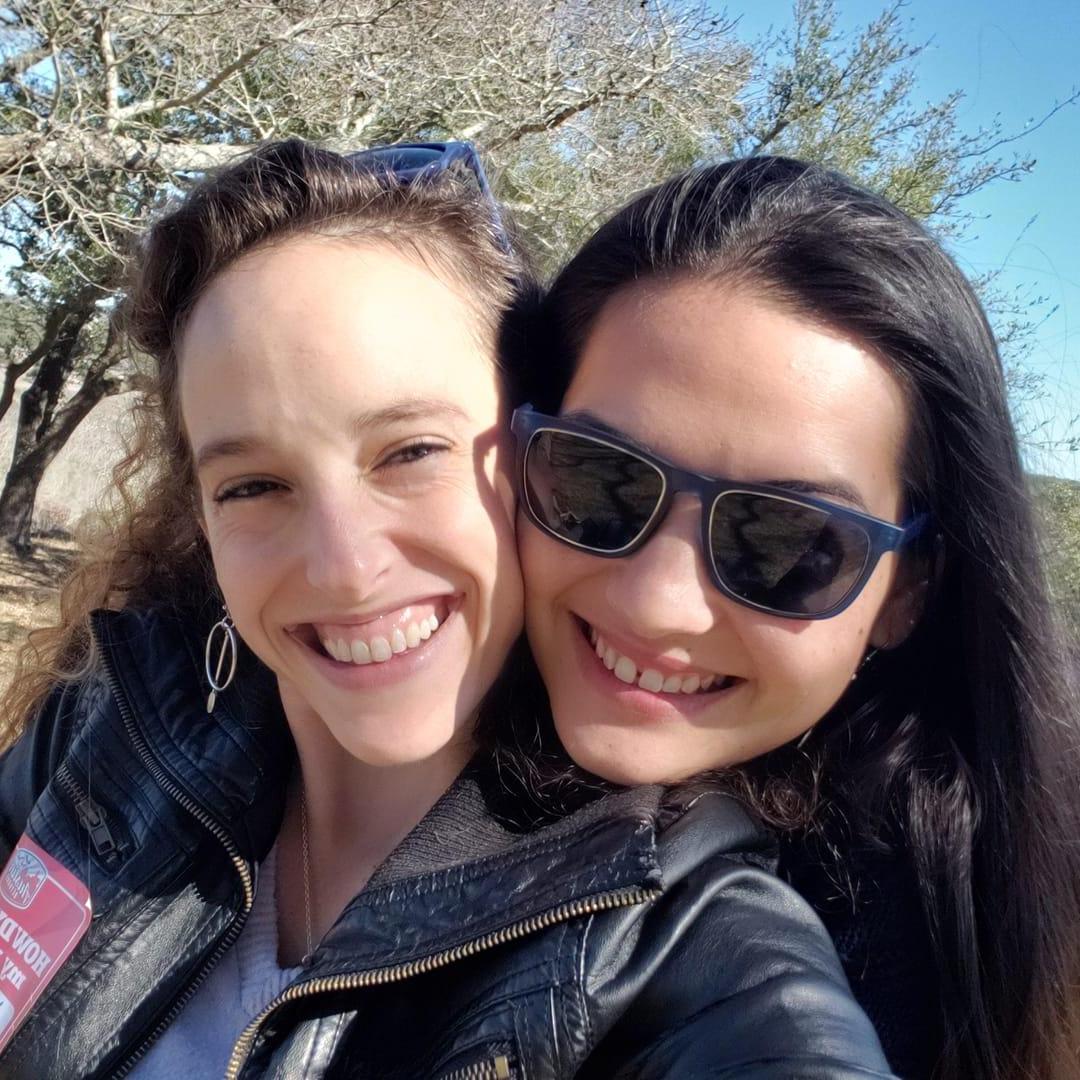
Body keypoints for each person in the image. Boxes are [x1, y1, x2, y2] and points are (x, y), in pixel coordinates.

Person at [0, 139, 893, 1078]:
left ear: (539, 456)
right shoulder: (115, 726)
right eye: (253, 485)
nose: (345, 570)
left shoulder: (677, 937)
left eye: (411, 453)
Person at [511, 156, 1080, 1080]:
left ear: (907, 592)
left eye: (787, 544)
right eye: (599, 480)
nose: (659, 600)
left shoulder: (932, 970)